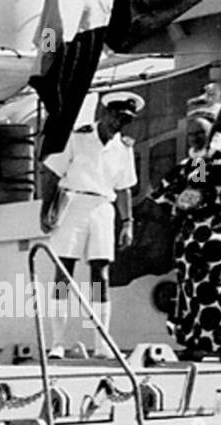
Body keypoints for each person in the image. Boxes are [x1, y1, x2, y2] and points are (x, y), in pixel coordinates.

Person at [39, 91, 143, 359]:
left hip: (102, 210)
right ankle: (58, 343)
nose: (120, 124)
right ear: (106, 112)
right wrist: (45, 210)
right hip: (72, 205)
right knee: (64, 272)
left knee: (101, 273)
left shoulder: (124, 148)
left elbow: (124, 189)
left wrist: (127, 222)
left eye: (126, 120)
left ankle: (101, 343)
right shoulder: (79, 136)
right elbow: (52, 173)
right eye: (118, 117)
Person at [150, 88, 221, 360]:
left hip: (220, 235)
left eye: (199, 132)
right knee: (192, 292)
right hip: (192, 237)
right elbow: (187, 195)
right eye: (191, 134)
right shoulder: (194, 164)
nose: (194, 138)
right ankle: (197, 343)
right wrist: (186, 195)